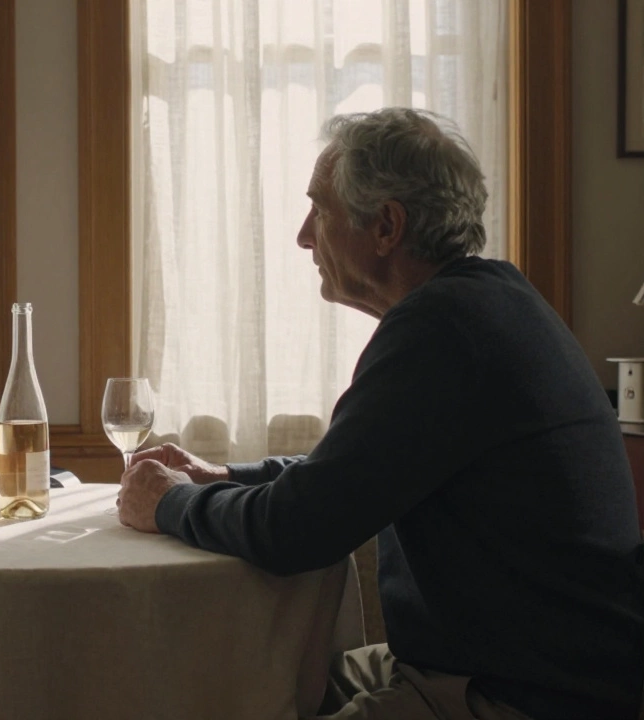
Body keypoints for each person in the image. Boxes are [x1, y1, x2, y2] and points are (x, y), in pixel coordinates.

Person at [117, 108, 644, 719]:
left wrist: (169, 503)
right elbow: (348, 473)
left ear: (386, 226)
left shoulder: (442, 330)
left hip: (526, 693)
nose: (303, 235)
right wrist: (225, 476)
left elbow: (296, 531)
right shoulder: (488, 301)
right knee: (253, 669)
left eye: (320, 208)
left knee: (243, 679)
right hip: (519, 665)